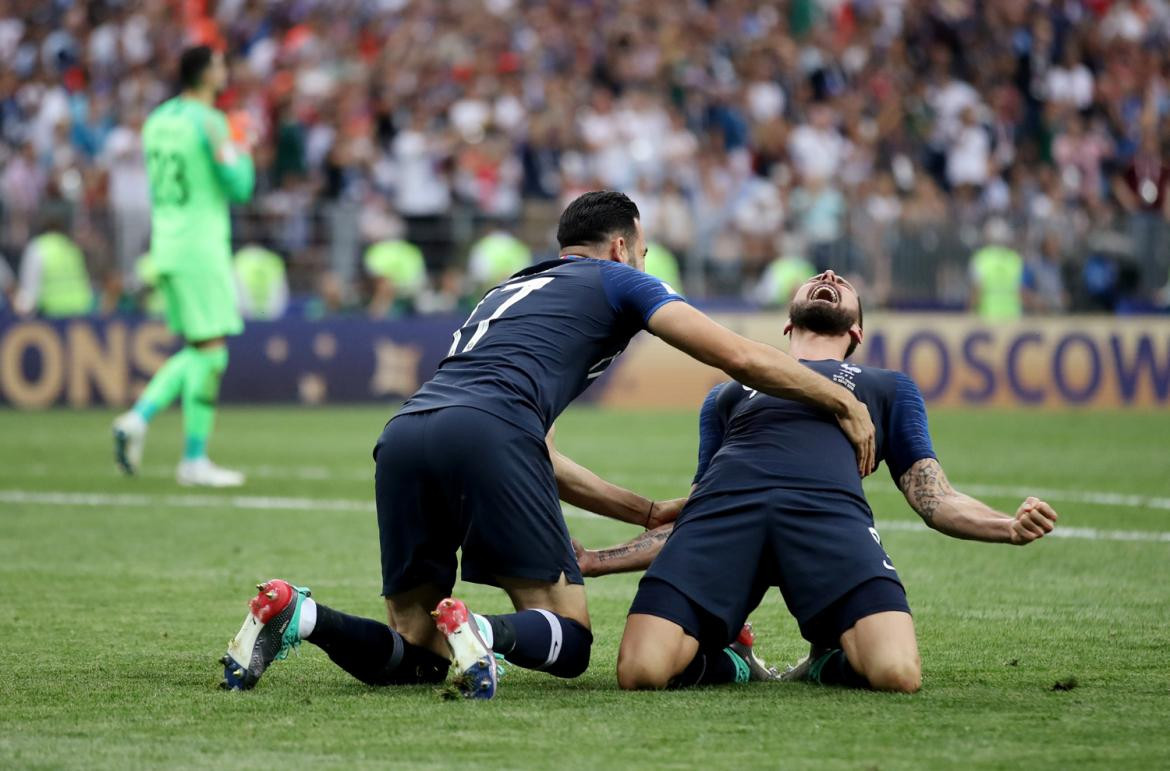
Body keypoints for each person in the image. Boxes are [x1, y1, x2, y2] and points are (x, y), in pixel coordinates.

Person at [219, 191, 876, 699]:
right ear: (621, 247)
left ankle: (298, 614)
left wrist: (644, 510)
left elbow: (545, 456)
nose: (645, 264)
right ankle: (483, 631)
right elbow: (735, 354)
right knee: (573, 636)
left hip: (408, 430)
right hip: (491, 429)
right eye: (643, 253)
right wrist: (842, 398)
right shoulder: (622, 280)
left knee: (415, 642)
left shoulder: (504, 292)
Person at [577, 269, 1059, 692]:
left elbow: (934, 497)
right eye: (818, 279)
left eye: (843, 284)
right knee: (639, 672)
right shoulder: (727, 394)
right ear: (788, 322)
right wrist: (597, 561)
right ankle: (733, 660)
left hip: (828, 518)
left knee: (897, 673)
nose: (829, 275)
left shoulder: (888, 387)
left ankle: (827, 659)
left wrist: (1006, 527)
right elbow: (695, 512)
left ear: (857, 329)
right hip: (726, 518)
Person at [111, 45, 255, 487]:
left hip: (166, 246)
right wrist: (242, 148)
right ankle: (192, 458)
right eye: (221, 63)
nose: (225, 69)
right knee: (211, 354)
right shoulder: (210, 121)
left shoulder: (157, 120)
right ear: (207, 73)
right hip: (200, 246)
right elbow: (241, 185)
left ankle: (138, 421)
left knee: (199, 350)